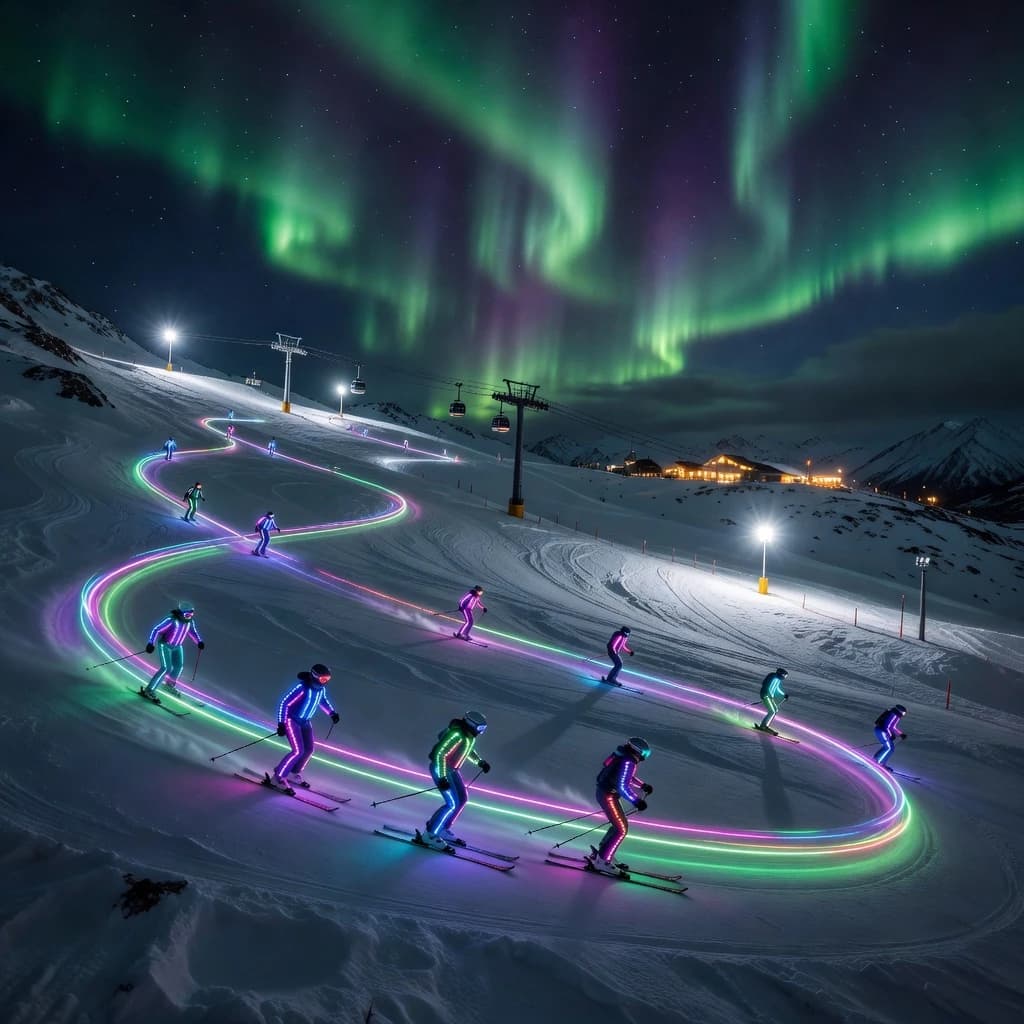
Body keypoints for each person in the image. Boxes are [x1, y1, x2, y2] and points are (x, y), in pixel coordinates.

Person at [419, 711, 491, 849]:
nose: (481, 732)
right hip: (442, 769)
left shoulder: (469, 737)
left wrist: (480, 762)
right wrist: (442, 777)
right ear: (472, 724)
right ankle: (430, 835)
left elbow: (468, 751)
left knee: (462, 799)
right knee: (452, 803)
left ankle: (443, 829)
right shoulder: (457, 734)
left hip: (452, 770)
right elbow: (439, 754)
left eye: (483, 729)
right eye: (480, 728)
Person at [587, 737, 653, 875]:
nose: (644, 758)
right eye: (645, 754)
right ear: (639, 751)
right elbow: (622, 786)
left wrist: (642, 785)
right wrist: (636, 801)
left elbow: (623, 776)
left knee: (618, 825)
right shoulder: (629, 761)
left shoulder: (623, 755)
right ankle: (603, 861)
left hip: (604, 793)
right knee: (621, 829)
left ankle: (602, 854)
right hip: (608, 796)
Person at [269, 664, 340, 791]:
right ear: (315, 676)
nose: (326, 682)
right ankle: (277, 778)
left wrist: (332, 713)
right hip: (292, 720)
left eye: (328, 679)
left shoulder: (321, 690)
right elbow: (284, 703)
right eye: (324, 679)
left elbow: (322, 701)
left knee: (309, 749)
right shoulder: (302, 688)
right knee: (298, 751)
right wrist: (281, 724)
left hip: (305, 721)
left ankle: (292, 773)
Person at [142, 603, 204, 701]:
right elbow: (156, 630)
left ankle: (170, 684)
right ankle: (149, 689)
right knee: (166, 668)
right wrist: (151, 643)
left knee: (179, 666)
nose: (189, 617)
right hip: (165, 644)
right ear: (180, 613)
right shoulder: (172, 620)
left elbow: (193, 632)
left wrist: (199, 642)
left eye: (191, 615)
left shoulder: (190, 622)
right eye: (187, 615)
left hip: (178, 646)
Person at [754, 668, 788, 735]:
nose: (784, 677)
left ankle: (765, 725)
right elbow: (767, 686)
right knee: (772, 711)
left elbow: (776, 688)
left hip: (770, 697)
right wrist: (768, 694)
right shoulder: (773, 677)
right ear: (781, 674)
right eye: (784, 675)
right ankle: (763, 726)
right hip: (766, 695)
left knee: (775, 710)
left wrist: (784, 694)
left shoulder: (777, 679)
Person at [873, 705, 908, 770]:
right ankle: (880, 763)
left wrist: (900, 734)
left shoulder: (893, 713)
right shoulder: (895, 715)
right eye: (904, 713)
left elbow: (892, 727)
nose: (904, 715)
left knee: (888, 747)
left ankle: (876, 760)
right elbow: (888, 726)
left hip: (879, 730)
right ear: (900, 711)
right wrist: (891, 735)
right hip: (882, 731)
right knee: (889, 748)